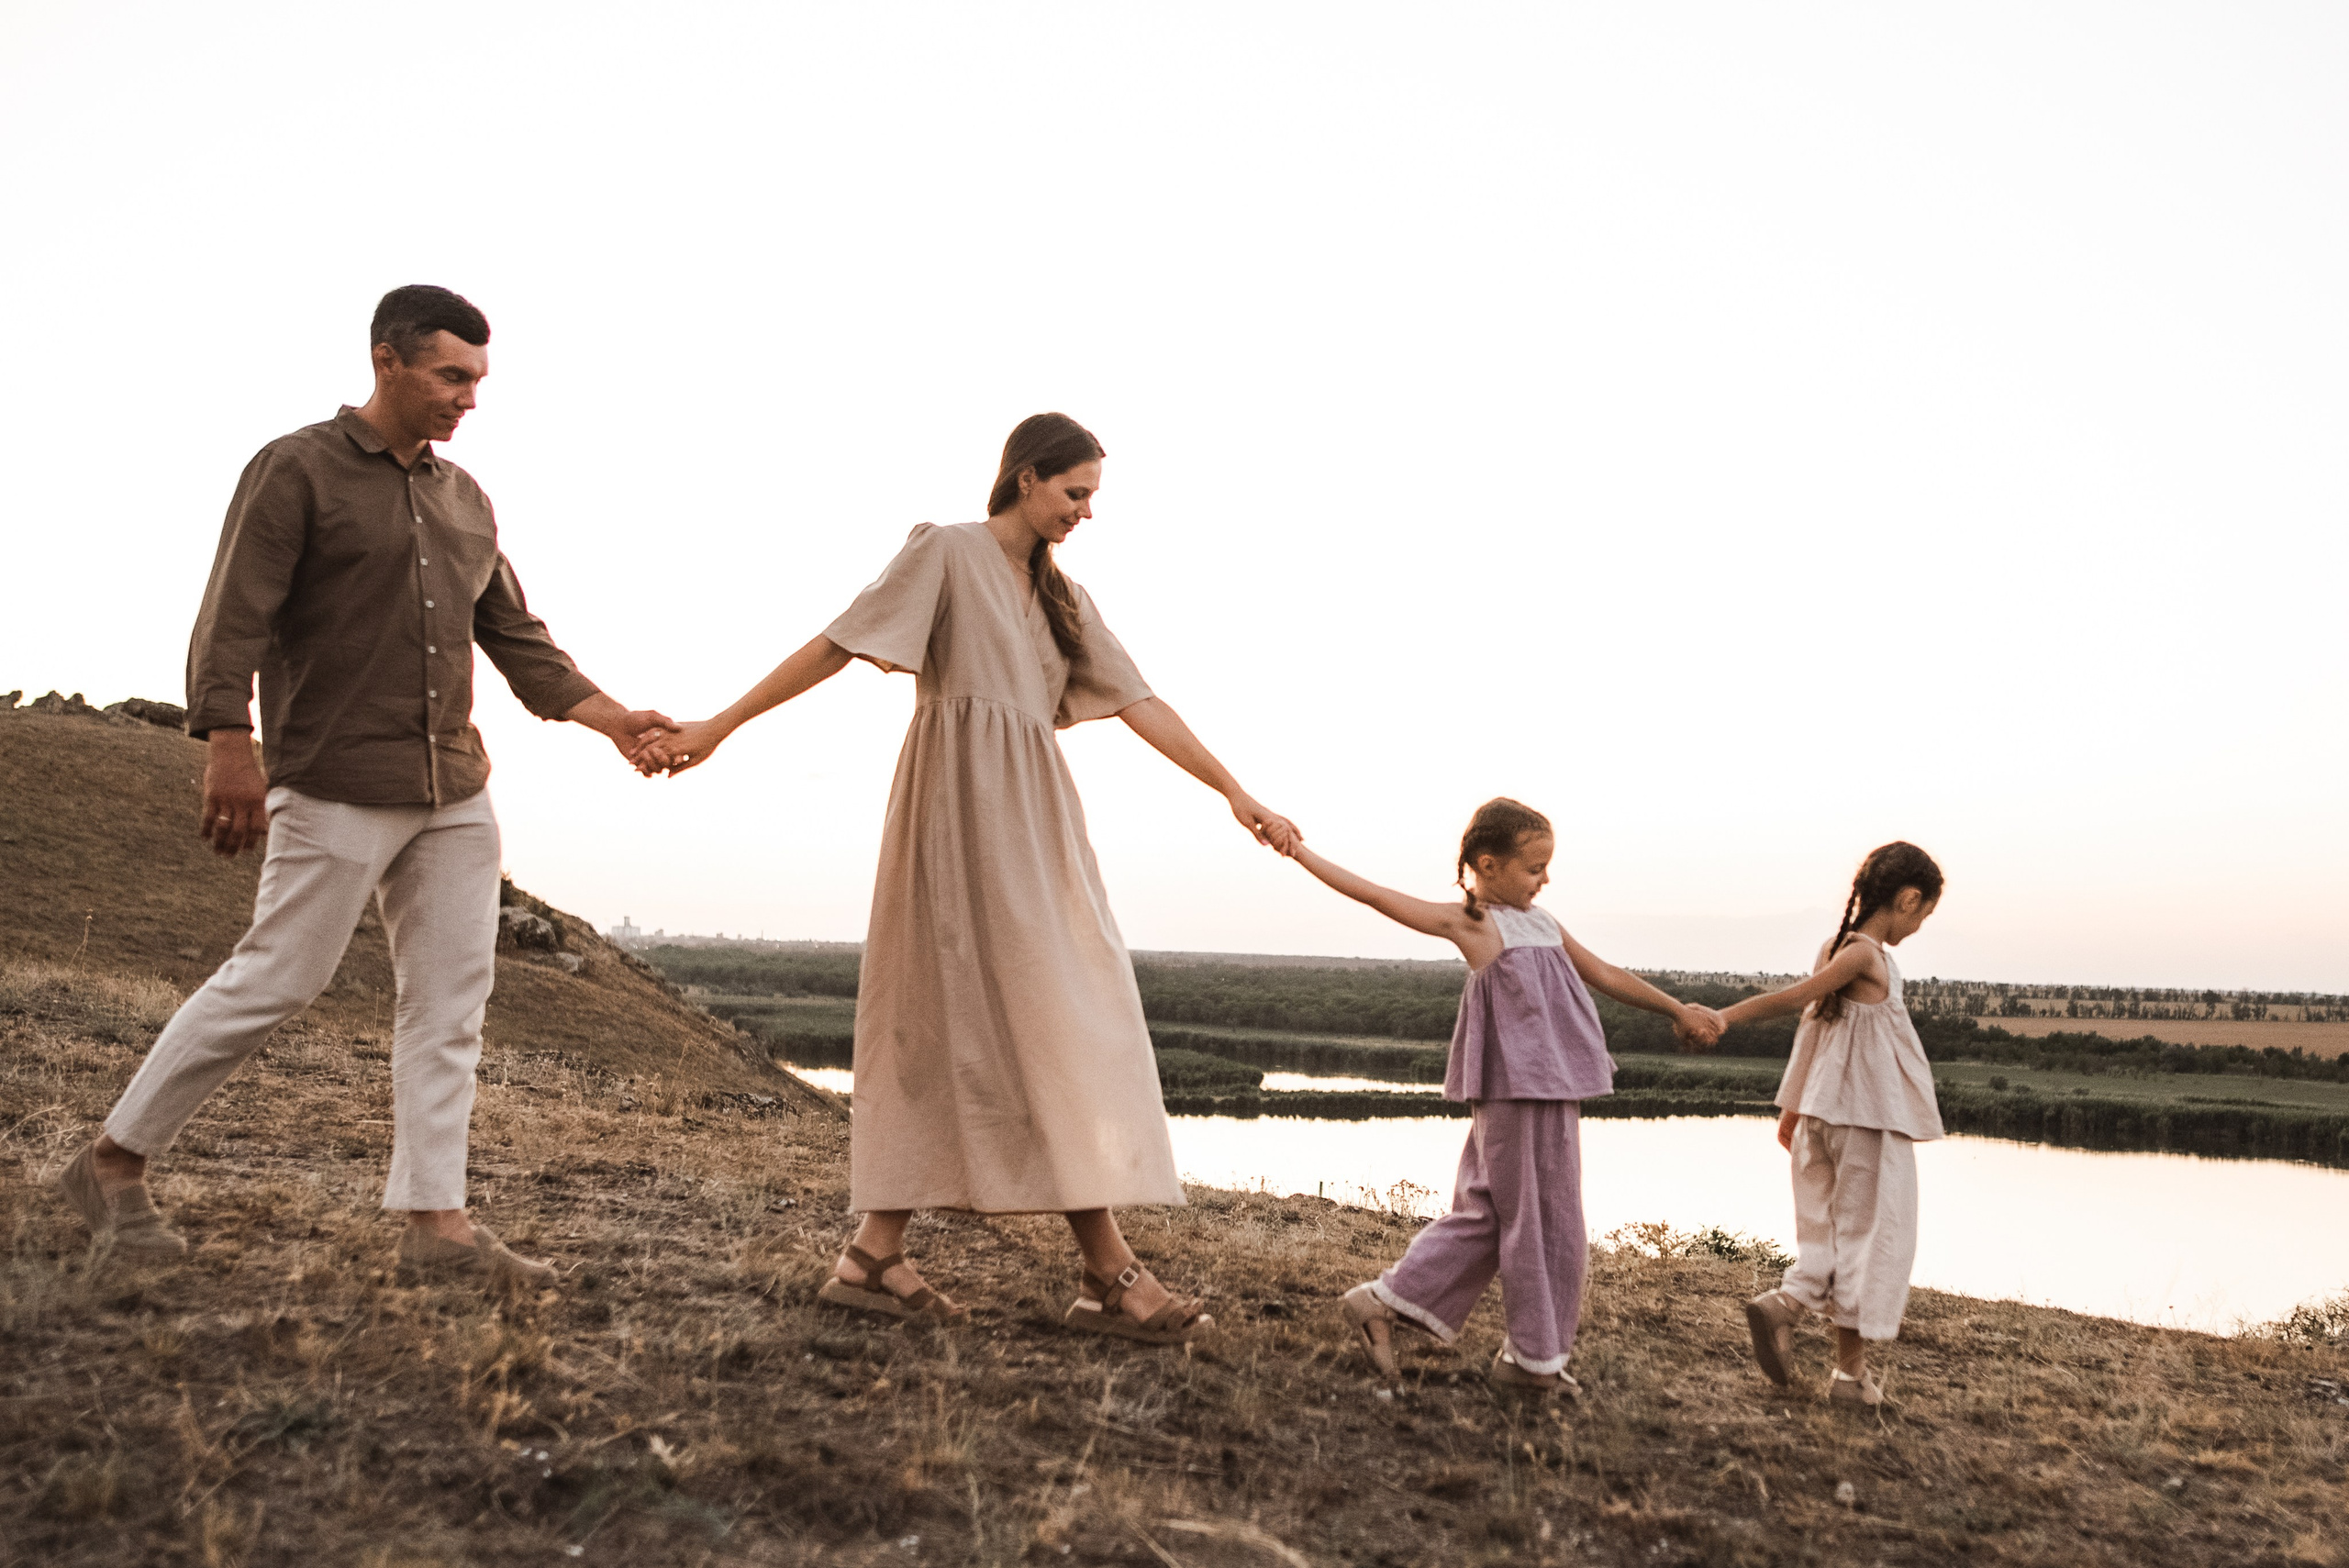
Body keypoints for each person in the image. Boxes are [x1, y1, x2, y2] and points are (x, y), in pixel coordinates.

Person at [56, 285, 674, 1288]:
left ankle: (437, 1222)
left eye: (477, 379)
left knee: (450, 1004)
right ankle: (111, 1162)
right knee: (276, 978)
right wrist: (228, 746)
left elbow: (515, 636)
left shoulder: (464, 497)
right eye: (451, 375)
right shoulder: (295, 468)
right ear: (387, 359)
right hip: (335, 777)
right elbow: (233, 617)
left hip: (453, 790)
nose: (468, 397)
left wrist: (613, 719)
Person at [639, 413, 1296, 1344]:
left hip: (1034, 820)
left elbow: (1141, 701)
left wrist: (1234, 790)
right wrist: (720, 723)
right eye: (1075, 492)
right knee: (1002, 1017)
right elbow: (838, 642)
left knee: (1052, 1014)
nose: (1086, 512)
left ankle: (876, 1253)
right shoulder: (946, 551)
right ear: (1026, 478)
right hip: (955, 810)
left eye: (1092, 496)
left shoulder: (1065, 598)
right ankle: (1105, 1272)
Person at [1279, 798, 1724, 1395]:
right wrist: (1298, 850)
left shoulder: (1544, 924)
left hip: (1555, 1085)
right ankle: (1528, 1362)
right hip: (1515, 1088)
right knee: (1542, 1218)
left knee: (1500, 1211)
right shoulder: (1475, 924)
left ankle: (1395, 1307)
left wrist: (1676, 1008)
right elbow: (1375, 894)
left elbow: (1606, 974)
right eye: (1534, 867)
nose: (1545, 879)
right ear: (1487, 864)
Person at [1719, 841, 1946, 1407]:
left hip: (1821, 1114)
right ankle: (1795, 1316)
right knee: (1868, 1238)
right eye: (1923, 914)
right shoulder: (1866, 957)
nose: (1919, 926)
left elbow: (1813, 1029)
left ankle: (1845, 1369)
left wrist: (1793, 1107)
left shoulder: (1834, 946)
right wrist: (1722, 1017)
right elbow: (1797, 1000)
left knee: (1826, 1232)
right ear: (1908, 899)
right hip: (1865, 1120)